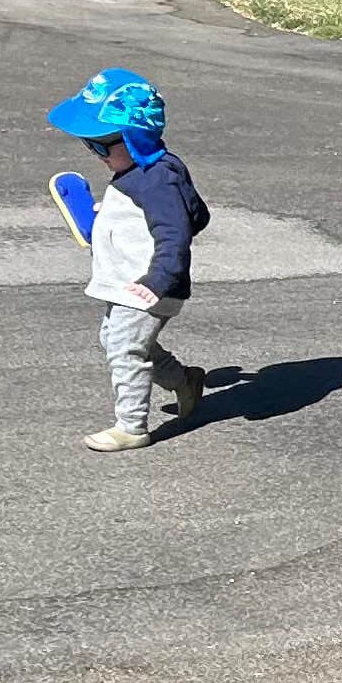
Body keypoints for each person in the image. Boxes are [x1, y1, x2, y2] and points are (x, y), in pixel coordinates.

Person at [44, 67, 210, 451]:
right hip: (128, 282)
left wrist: (158, 277)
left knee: (125, 348)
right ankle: (185, 381)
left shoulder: (157, 178)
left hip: (150, 286)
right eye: (90, 146)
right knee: (116, 340)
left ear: (135, 138)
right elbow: (197, 214)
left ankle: (132, 426)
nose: (96, 154)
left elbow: (178, 230)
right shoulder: (144, 171)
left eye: (101, 146)